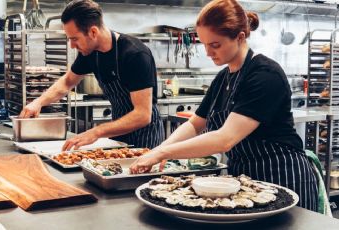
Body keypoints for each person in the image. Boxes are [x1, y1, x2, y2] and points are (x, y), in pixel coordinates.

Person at [130, 0, 318, 211]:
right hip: (245, 181)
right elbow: (195, 124)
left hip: (283, 175)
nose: (208, 52)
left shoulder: (265, 74)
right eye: (204, 44)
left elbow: (225, 139)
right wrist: (160, 148)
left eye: (215, 45)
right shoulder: (222, 78)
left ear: (240, 37)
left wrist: (164, 154)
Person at [19, 0, 164, 150]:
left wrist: (96, 132)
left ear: (93, 32)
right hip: (118, 133)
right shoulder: (90, 52)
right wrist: (39, 102)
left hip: (145, 137)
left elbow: (142, 115)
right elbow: (67, 82)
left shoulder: (134, 54)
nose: (72, 45)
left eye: (74, 39)